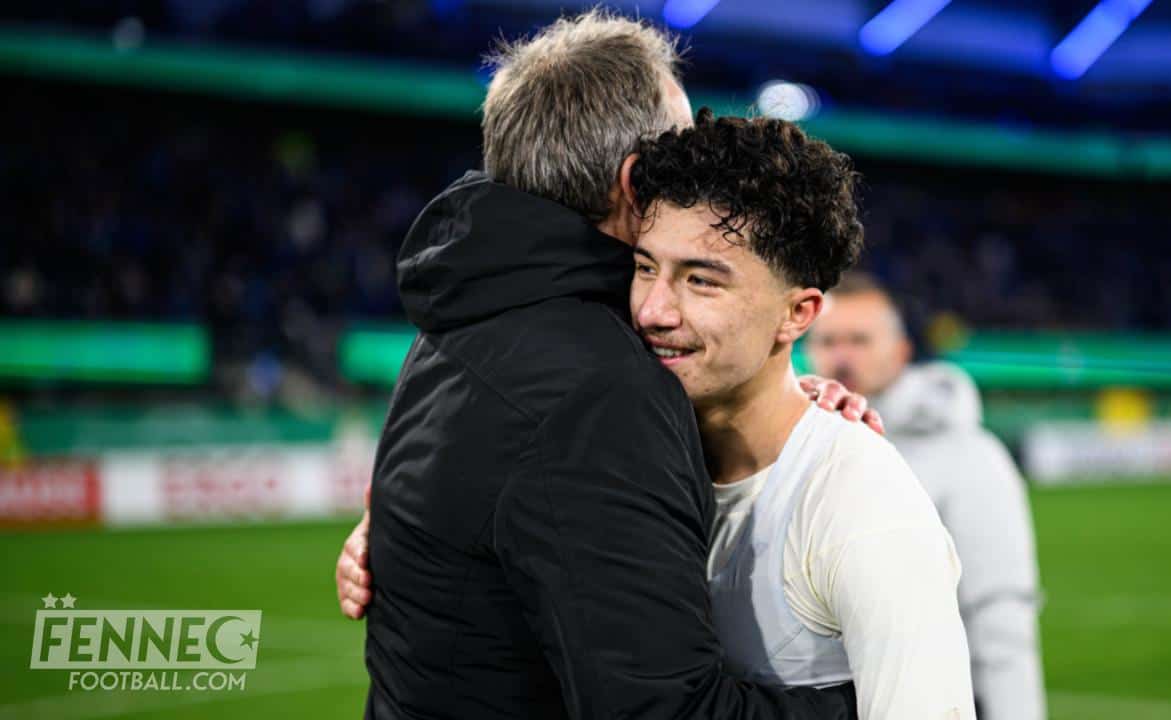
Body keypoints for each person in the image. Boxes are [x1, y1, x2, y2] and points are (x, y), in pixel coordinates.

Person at [345, 106, 977, 718]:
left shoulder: (863, 507)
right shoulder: (623, 460)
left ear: (798, 313)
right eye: (645, 267)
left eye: (702, 281)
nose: (653, 310)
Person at [804, 273, 1046, 720]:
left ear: (901, 351)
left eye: (859, 340)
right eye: (828, 341)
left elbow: (1000, 616)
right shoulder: (795, 448)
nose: (842, 356)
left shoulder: (970, 455)